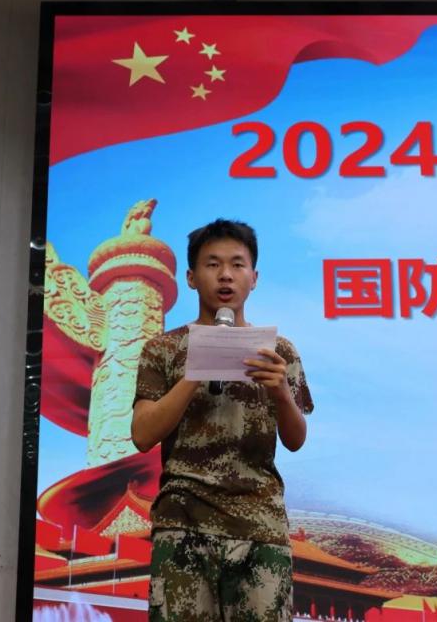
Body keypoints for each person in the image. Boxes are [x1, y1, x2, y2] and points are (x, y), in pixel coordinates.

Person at [131, 218, 314, 622]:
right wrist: (195, 371)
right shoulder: (162, 349)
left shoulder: (279, 351)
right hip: (182, 524)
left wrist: (281, 393)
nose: (226, 275)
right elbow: (142, 435)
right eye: (213, 264)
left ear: (254, 278)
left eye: (237, 264)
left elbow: (296, 439)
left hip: (259, 528)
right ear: (191, 278)